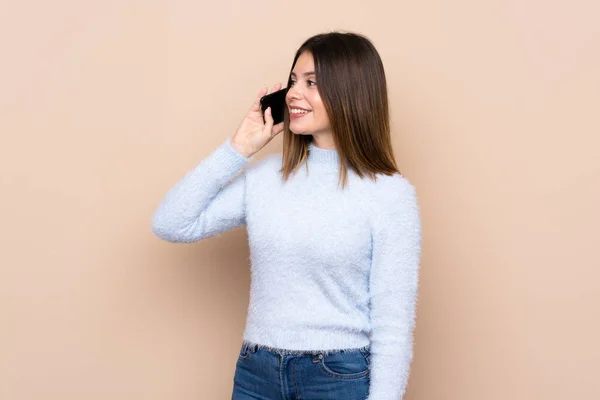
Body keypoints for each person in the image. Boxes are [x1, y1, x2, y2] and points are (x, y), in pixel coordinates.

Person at [152, 31, 422, 400]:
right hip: (256, 372)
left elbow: (394, 326)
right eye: (294, 80)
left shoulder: (389, 195)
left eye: (311, 83)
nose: (294, 93)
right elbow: (171, 222)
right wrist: (237, 150)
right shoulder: (266, 178)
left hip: (336, 377)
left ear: (350, 92)